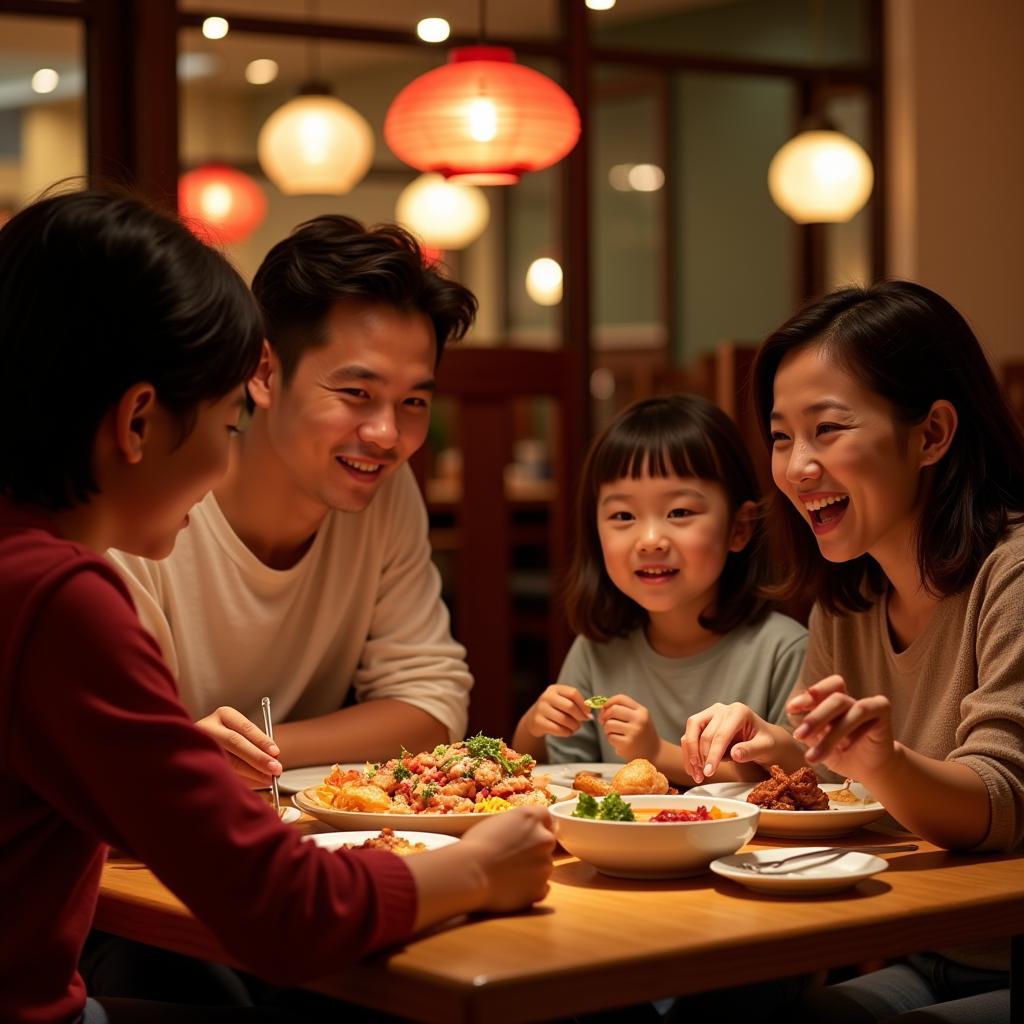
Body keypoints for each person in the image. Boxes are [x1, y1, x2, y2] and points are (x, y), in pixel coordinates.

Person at [0, 188, 554, 1024]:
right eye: (227, 426)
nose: (228, 464)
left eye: (413, 400)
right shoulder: (58, 596)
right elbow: (281, 910)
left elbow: (431, 699)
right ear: (139, 421)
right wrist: (476, 868)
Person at [682, 281, 1022, 1023]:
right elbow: (845, 776)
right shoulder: (849, 592)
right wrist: (774, 749)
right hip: (919, 950)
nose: (797, 466)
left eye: (828, 429)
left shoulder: (1014, 574)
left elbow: (1001, 802)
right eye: (779, 436)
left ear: (931, 434)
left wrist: (881, 761)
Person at [109, 215, 477, 786]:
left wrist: (257, 754)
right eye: (357, 393)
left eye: (413, 402)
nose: (386, 434)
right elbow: (115, 742)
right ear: (263, 373)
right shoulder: (151, 504)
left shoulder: (383, 488)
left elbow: (431, 705)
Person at [512, 394, 806, 787]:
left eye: (679, 512)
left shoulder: (783, 651)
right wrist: (534, 726)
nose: (650, 540)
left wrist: (655, 754)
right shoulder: (596, 651)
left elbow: (798, 780)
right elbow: (563, 779)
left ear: (739, 528)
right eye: (623, 516)